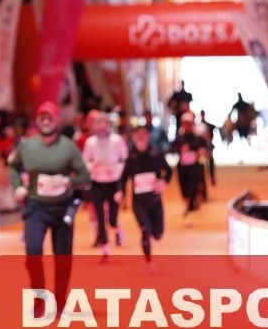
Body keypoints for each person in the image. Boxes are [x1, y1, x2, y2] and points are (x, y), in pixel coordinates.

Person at [8, 101, 90, 308]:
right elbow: (13, 167)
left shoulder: (68, 147)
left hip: (62, 208)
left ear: (57, 121)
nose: (45, 121)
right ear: (37, 121)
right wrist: (17, 187)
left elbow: (85, 176)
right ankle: (39, 300)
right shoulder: (27, 146)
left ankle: (60, 301)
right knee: (33, 253)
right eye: (41, 117)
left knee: (63, 258)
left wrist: (68, 181)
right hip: (36, 207)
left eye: (49, 117)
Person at [117, 124, 172, 273]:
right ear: (133, 138)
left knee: (158, 234)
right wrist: (120, 192)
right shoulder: (131, 157)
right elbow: (123, 178)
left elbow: (168, 171)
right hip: (138, 203)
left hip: (155, 201)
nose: (140, 138)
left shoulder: (156, 153)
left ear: (148, 137)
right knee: (145, 229)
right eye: (137, 135)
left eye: (143, 135)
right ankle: (149, 261)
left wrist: (163, 181)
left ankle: (155, 233)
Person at [82, 111, 129, 261]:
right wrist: (92, 166)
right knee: (99, 216)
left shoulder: (117, 140)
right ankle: (105, 249)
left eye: (104, 125)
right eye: (98, 125)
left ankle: (117, 229)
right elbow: (85, 161)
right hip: (97, 182)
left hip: (114, 182)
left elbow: (125, 159)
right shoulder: (90, 142)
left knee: (112, 218)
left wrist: (116, 169)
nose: (102, 128)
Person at [169, 111, 208, 216]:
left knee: (193, 185)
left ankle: (191, 204)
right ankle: (189, 202)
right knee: (184, 186)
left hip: (194, 166)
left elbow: (205, 146)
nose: (186, 126)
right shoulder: (179, 138)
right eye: (184, 124)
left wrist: (200, 151)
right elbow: (171, 149)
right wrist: (180, 149)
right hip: (182, 167)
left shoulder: (197, 137)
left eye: (188, 124)